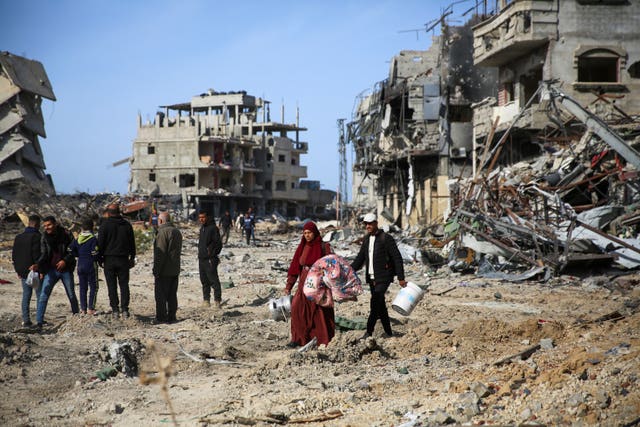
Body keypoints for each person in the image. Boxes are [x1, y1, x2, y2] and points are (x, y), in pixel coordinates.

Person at [351, 213, 406, 339]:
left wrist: (401, 277)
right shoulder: (366, 240)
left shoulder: (386, 238)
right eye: (366, 224)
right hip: (371, 278)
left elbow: (397, 258)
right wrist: (348, 270)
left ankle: (369, 332)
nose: (368, 226)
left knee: (374, 302)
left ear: (376, 223)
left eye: (370, 223)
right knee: (380, 306)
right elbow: (360, 259)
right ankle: (388, 332)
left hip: (383, 277)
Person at [284, 221, 335, 348]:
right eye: (305, 233)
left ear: (315, 233)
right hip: (303, 285)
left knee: (319, 313)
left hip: (318, 285)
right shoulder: (302, 247)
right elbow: (295, 267)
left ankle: (322, 339)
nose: (307, 235)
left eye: (309, 233)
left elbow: (332, 264)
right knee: (297, 308)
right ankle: (298, 339)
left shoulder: (324, 247)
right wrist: (289, 286)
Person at [35, 216, 80, 327]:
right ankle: (39, 321)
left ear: (55, 224)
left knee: (71, 295)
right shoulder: (44, 237)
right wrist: (38, 265)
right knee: (43, 296)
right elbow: (44, 254)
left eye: (49, 225)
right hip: (51, 270)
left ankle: (78, 317)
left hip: (66, 270)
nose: (47, 228)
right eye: (45, 226)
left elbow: (73, 250)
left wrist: (65, 261)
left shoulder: (66, 234)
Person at [98, 203, 136, 319]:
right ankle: (124, 309)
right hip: (123, 259)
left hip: (109, 259)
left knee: (112, 286)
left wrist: (100, 259)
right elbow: (132, 244)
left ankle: (115, 309)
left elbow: (100, 244)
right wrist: (132, 257)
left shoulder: (104, 226)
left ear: (108, 213)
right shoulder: (126, 225)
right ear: (119, 212)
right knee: (124, 285)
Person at [12, 214, 47, 327]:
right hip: (35, 270)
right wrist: (41, 269)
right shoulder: (38, 237)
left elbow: (14, 255)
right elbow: (38, 254)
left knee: (26, 295)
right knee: (39, 295)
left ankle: (26, 320)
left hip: (22, 271)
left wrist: (18, 270)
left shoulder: (18, 237)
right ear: (37, 224)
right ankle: (39, 319)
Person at [152, 211, 183, 323]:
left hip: (164, 270)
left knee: (160, 295)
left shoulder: (162, 233)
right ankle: (172, 316)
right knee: (172, 295)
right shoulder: (177, 231)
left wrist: (156, 270)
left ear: (160, 221)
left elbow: (160, 254)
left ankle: (161, 318)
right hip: (175, 269)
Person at [70, 217, 99, 315]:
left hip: (80, 264)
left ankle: (83, 309)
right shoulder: (93, 238)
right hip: (90, 264)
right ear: (92, 227)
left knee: (83, 287)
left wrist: (77, 255)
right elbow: (95, 252)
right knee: (94, 287)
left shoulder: (78, 239)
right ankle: (91, 308)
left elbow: (70, 249)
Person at [198, 210, 222, 308]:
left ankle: (217, 301)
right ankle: (206, 300)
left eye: (203, 217)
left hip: (210, 260)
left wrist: (212, 254)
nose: (201, 219)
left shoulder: (213, 228)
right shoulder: (202, 228)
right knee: (204, 280)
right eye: (200, 218)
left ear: (207, 217)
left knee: (213, 280)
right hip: (201, 259)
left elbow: (218, 244)